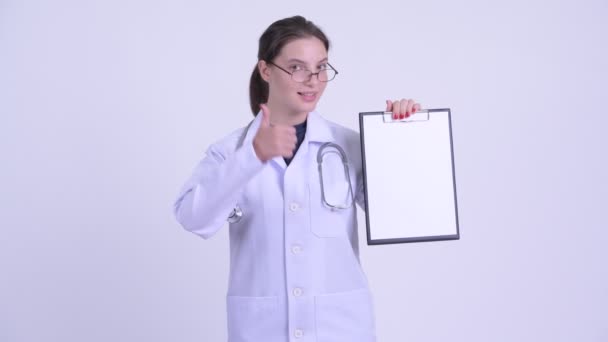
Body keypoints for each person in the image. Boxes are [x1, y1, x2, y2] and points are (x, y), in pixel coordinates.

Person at [173, 15, 420, 342]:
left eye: (321, 67)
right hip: (262, 330)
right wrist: (252, 158)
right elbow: (193, 217)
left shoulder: (349, 146)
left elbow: (404, 217)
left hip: (341, 329)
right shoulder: (230, 152)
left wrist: (399, 139)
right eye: (297, 67)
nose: (313, 80)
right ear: (266, 70)